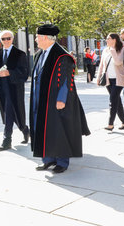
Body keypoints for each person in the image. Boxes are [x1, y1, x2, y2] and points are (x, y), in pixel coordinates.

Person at [30, 24, 90, 174]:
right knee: (43, 128)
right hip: (40, 99)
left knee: (59, 129)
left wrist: (61, 99)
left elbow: (66, 81)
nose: (36, 40)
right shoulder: (39, 54)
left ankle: (62, 161)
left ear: (45, 38)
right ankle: (48, 159)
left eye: (37, 37)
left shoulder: (62, 56)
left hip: (55, 100)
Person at [0, 30, 29, 151]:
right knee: (8, 113)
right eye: (3, 39)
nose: (6, 41)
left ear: (12, 39)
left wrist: (9, 73)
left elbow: (24, 73)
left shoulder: (20, 54)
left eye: (8, 38)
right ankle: (16, 134)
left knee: (14, 113)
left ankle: (15, 135)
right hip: (2, 89)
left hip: (15, 89)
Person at [97, 33, 124, 131]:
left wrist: (113, 51)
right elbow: (101, 65)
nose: (106, 40)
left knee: (112, 100)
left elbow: (118, 62)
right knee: (116, 101)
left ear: (114, 40)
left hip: (118, 79)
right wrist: (98, 77)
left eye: (108, 39)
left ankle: (110, 124)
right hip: (108, 79)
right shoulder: (105, 50)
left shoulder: (121, 49)